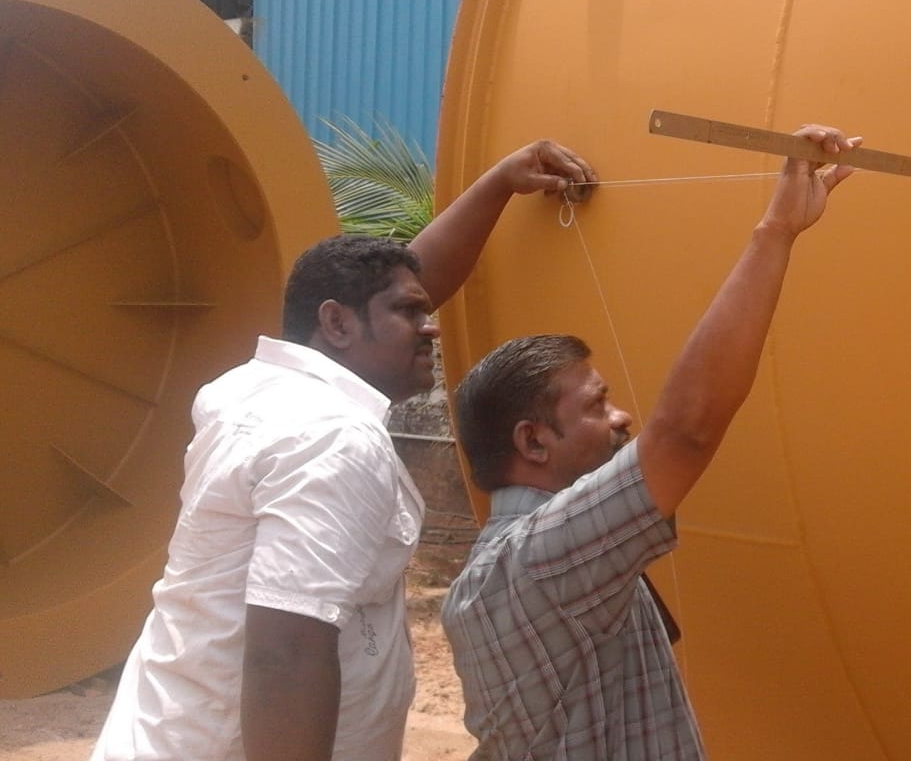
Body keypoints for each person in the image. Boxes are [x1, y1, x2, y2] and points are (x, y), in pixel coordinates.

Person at [90, 139, 596, 761]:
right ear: (335, 324)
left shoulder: (256, 392)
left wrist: (496, 186)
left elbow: (391, 297)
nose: (432, 327)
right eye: (412, 313)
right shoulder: (331, 439)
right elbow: (287, 650)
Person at [441, 124, 859, 761]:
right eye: (596, 404)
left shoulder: (524, 564)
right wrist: (775, 231)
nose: (621, 417)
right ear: (533, 441)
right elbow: (686, 429)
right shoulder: (538, 561)